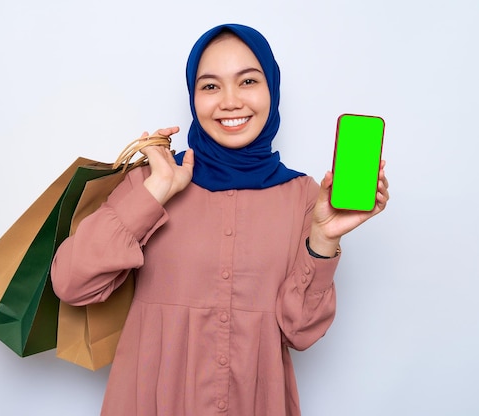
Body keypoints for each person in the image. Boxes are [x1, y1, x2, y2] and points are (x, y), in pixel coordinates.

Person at [51, 23, 389, 416]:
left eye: (248, 81)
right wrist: (154, 193)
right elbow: (71, 284)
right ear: (193, 97)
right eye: (210, 86)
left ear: (272, 89)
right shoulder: (151, 180)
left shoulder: (305, 196)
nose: (230, 101)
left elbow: (302, 331)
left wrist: (323, 238)